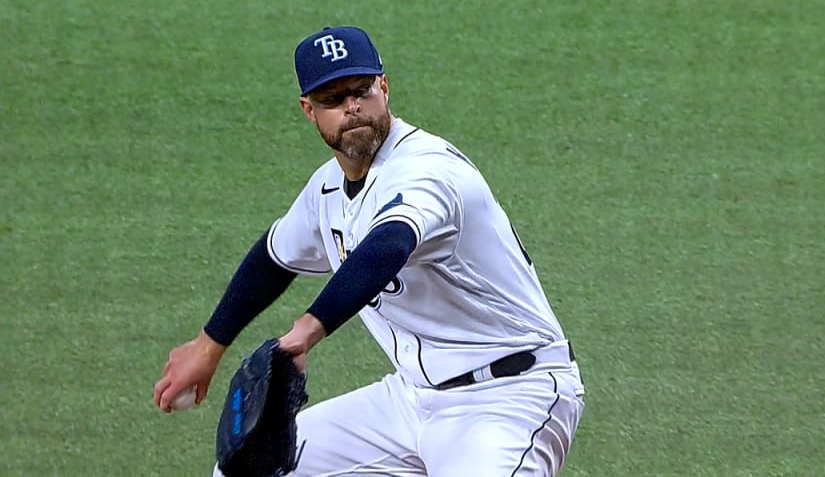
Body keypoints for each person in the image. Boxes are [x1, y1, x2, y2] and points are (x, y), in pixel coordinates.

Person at [153, 26, 585, 476]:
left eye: (361, 90)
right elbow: (274, 257)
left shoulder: (426, 169)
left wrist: (306, 332)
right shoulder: (326, 189)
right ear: (309, 110)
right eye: (332, 99)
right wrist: (208, 346)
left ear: (384, 86)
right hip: (411, 401)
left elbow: (388, 244)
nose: (351, 107)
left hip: (510, 398)